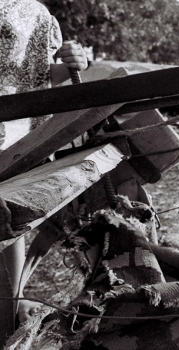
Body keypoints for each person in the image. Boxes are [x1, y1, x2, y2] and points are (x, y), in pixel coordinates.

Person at [0, 0, 88, 325]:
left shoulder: (36, 13)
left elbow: (39, 75)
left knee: (11, 213)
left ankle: (16, 299)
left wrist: (74, 64)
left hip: (17, 127)